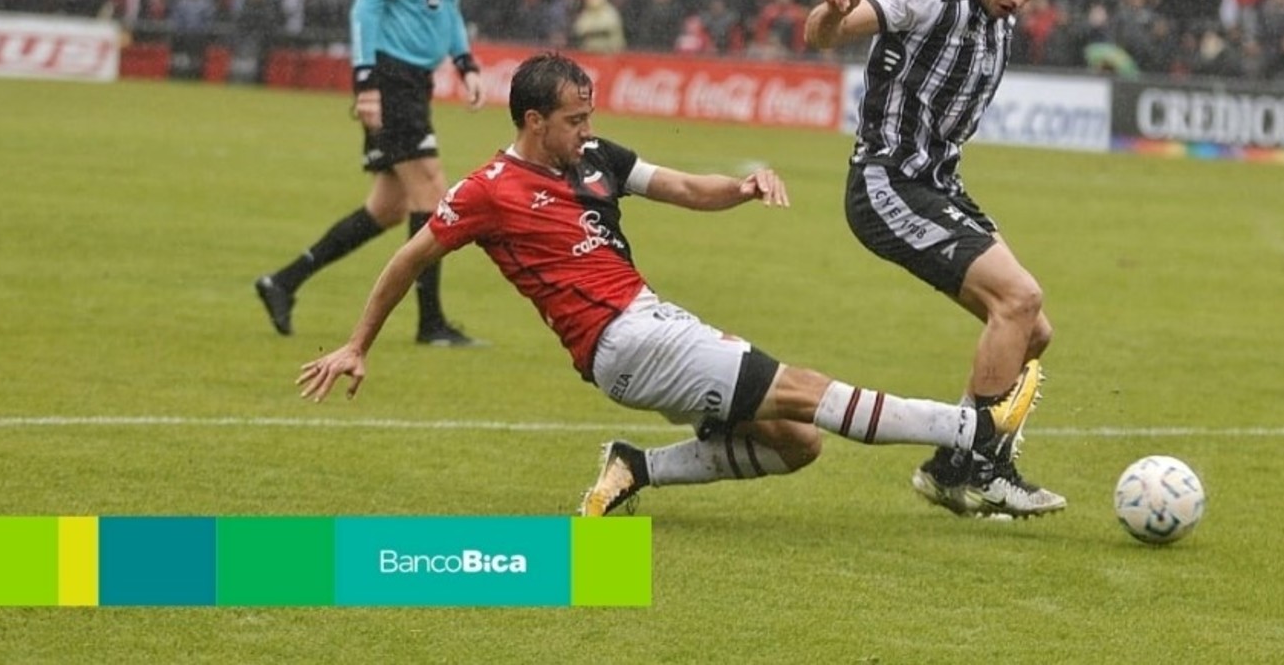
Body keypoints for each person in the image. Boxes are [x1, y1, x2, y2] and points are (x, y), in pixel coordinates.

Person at [295, 52, 1042, 517]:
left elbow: (683, 186)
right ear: (532, 119)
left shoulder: (596, 159)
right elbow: (408, 258)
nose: (586, 130)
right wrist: (358, 343)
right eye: (573, 119)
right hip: (623, 338)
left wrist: (742, 187)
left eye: (590, 116)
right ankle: (972, 430)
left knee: (796, 441)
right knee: (803, 387)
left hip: (647, 326)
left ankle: (635, 465)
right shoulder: (488, 188)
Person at [803, 0, 1068, 520]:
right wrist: (836, 8)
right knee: (1018, 298)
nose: (1022, 1)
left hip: (939, 185)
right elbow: (824, 34)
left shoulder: (1000, 19)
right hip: (886, 182)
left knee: (1035, 329)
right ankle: (981, 465)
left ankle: (949, 469)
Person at [255, 0, 486, 346]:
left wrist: (465, 63)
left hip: (415, 81)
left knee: (387, 208)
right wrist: (365, 84)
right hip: (390, 77)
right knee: (432, 192)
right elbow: (366, 9)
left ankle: (282, 282)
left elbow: (446, 8)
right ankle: (430, 325)